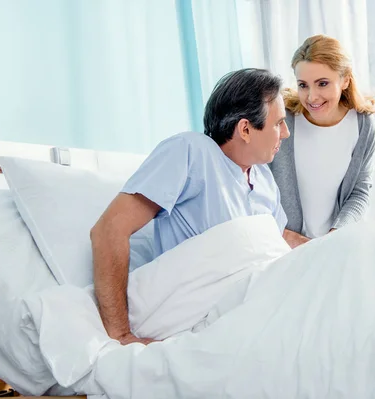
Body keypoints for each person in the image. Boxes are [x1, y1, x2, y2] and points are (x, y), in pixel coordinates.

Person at [90, 68, 290, 346]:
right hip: (206, 315)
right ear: (245, 129)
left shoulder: (264, 179)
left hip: (264, 307)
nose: (286, 133)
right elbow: (109, 230)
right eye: (279, 123)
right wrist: (121, 335)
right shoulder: (191, 152)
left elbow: (276, 248)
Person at [270, 34, 375, 247]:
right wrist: (291, 239)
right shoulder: (284, 120)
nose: (312, 97)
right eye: (303, 85)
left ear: (345, 79)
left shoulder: (362, 124)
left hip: (338, 244)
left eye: (322, 83)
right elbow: (257, 187)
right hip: (284, 246)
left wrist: (335, 237)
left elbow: (359, 191)